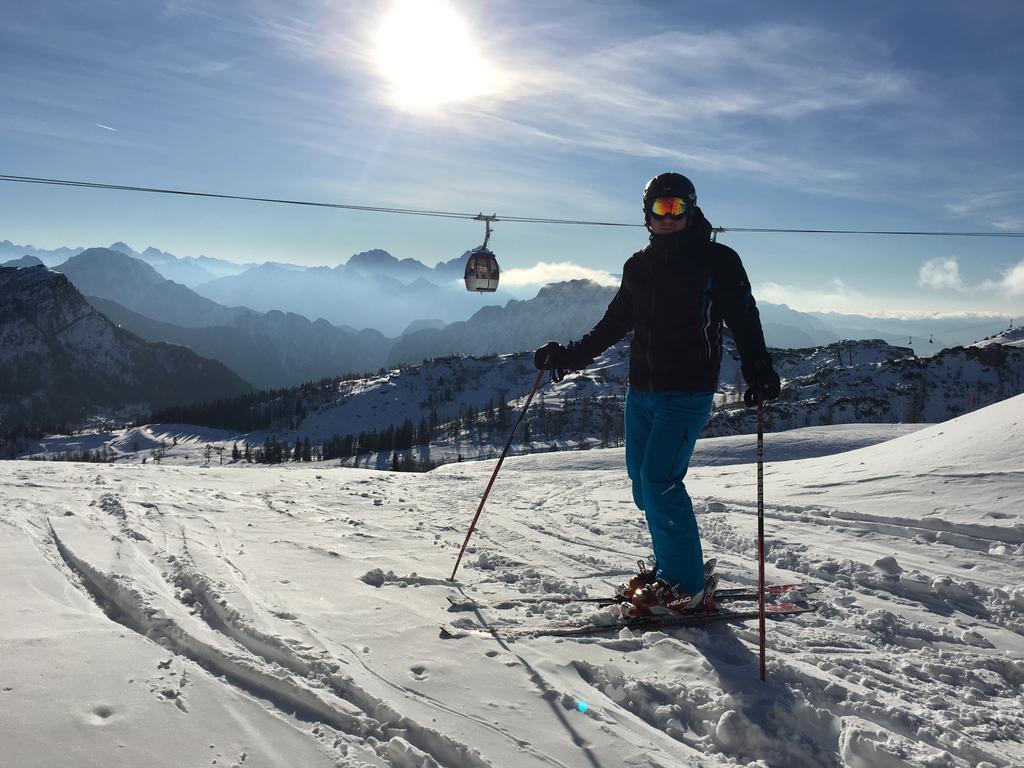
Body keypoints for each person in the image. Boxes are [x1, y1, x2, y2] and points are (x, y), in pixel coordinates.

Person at [533, 172, 780, 616]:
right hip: (641, 391)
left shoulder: (717, 260)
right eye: (659, 208)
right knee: (642, 486)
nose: (667, 216)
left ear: (691, 210)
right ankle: (672, 570)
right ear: (646, 214)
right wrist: (567, 357)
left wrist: (757, 366)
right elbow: (612, 324)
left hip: (686, 391)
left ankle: (687, 588)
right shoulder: (639, 266)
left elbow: (744, 317)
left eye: (677, 208)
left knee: (661, 483)